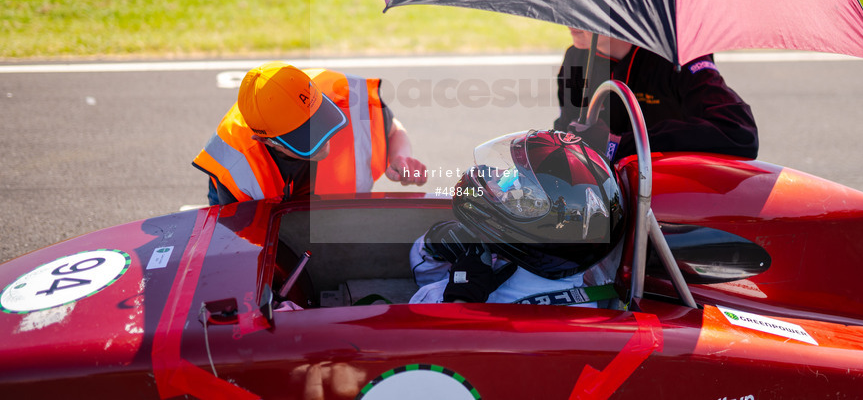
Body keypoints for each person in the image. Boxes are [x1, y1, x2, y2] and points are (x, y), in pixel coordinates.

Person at [410, 130, 626, 307]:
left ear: (547, 226)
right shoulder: (590, 287)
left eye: (514, 183)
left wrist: (433, 252)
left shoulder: (464, 296)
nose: (497, 179)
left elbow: (421, 287)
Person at [193, 61, 427, 205]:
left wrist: (399, 156)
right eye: (303, 133)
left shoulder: (349, 98)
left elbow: (393, 128)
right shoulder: (235, 168)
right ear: (266, 140)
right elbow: (244, 246)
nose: (324, 139)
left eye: (319, 117)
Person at [555, 28, 758, 163]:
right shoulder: (576, 58)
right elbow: (567, 130)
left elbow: (739, 132)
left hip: (671, 203)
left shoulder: (678, 58)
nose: (571, 15)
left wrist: (617, 144)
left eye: (586, 2)